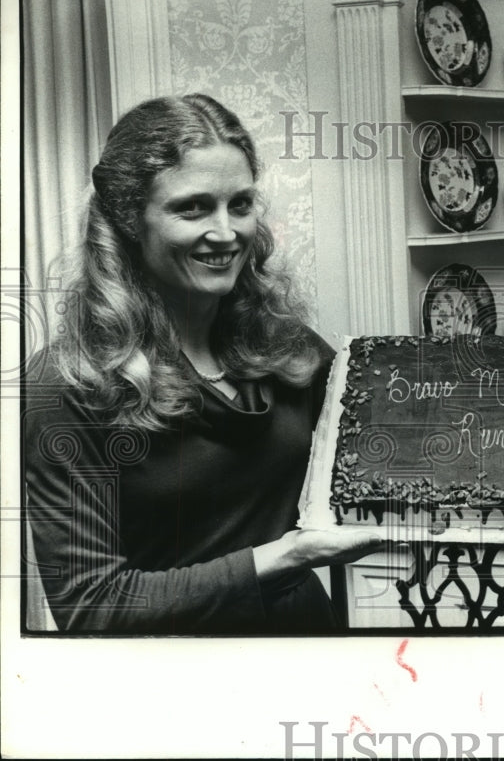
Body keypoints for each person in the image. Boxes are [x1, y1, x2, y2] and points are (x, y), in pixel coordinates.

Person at [23, 94, 381, 634]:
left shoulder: (289, 350)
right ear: (127, 217)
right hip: (177, 689)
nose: (226, 233)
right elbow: (90, 606)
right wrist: (283, 559)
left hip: (310, 654)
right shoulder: (67, 383)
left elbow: (387, 450)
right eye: (192, 208)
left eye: (240, 204)